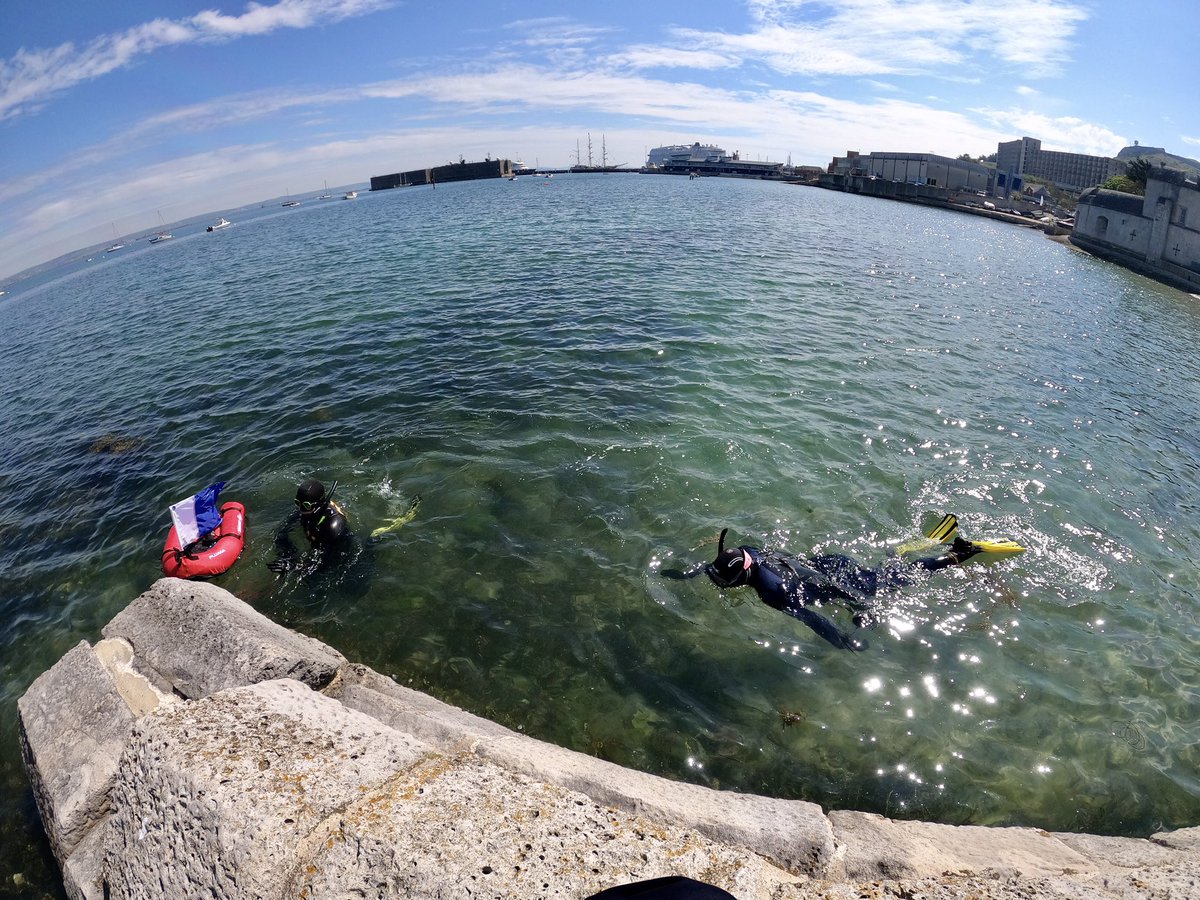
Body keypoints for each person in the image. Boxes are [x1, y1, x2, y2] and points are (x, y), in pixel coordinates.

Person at [662, 515, 1023, 652]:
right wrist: (685, 574)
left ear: (742, 578)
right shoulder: (747, 551)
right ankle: (897, 557)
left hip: (840, 582)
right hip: (829, 563)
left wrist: (842, 642)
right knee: (868, 593)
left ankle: (960, 553)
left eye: (727, 585)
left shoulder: (771, 592)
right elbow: (716, 563)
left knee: (890, 587)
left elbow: (812, 619)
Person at [269, 479, 355, 574]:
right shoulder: (307, 511)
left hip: (336, 554)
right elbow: (282, 532)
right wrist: (287, 556)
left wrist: (293, 567)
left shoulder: (333, 527)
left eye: (306, 506)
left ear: (318, 505)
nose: (300, 510)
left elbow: (327, 564)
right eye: (298, 503)